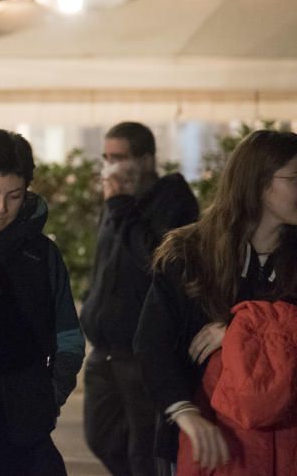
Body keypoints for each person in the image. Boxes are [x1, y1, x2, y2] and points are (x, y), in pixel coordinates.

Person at [134, 130, 297, 473]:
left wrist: (240, 334)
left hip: (283, 446)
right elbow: (152, 344)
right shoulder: (189, 252)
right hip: (201, 442)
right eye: (295, 177)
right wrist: (185, 413)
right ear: (258, 182)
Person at [0, 129, 84, 475]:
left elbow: (69, 336)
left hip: (28, 426)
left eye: (15, 196)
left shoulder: (42, 254)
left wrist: (50, 396)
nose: (0, 208)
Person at [79, 121, 199, 476]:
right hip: (105, 347)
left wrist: (120, 207)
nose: (111, 166)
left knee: (145, 451)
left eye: (120, 157)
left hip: (142, 351)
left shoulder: (173, 198)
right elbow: (105, 263)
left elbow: (156, 259)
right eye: (107, 157)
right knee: (101, 438)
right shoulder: (117, 202)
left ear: (147, 159)